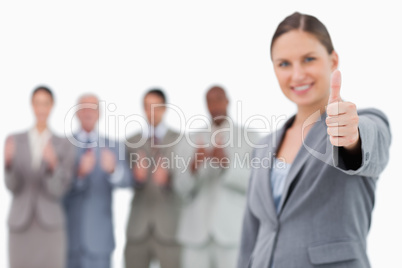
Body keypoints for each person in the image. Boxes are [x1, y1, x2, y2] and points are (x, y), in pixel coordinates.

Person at [237, 12, 391, 268]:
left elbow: (368, 145)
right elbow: (250, 236)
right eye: (284, 64)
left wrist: (351, 137)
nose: (297, 75)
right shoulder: (263, 146)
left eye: (308, 59)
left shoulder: (360, 122)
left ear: (333, 60)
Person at [174, 86, 259, 268]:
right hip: (195, 234)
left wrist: (227, 164)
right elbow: (180, 189)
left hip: (232, 234)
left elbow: (256, 184)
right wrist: (194, 167)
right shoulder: (190, 139)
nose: (215, 105)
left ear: (227, 101)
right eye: (210, 101)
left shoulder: (249, 136)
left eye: (219, 99)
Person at [4, 86, 74, 268]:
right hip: (20, 223)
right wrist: (8, 164)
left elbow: (58, 191)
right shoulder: (14, 140)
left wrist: (53, 166)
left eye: (45, 103)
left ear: (52, 106)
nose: (41, 109)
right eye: (37, 103)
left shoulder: (64, 144)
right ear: (31, 105)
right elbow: (12, 186)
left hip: (50, 225)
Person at [63, 94, 133, 268]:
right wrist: (78, 174)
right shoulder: (64, 145)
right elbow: (55, 186)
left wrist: (113, 170)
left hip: (100, 239)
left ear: (99, 113)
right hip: (70, 238)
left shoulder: (114, 145)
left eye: (92, 108)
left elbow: (127, 181)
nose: (88, 113)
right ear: (77, 113)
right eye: (84, 108)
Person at [124, 89, 182, 268]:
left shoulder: (180, 140)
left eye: (156, 107)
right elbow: (122, 178)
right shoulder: (130, 141)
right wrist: (136, 179)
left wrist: (168, 181)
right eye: (148, 107)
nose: (152, 112)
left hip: (169, 227)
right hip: (138, 227)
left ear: (164, 109)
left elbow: (188, 181)